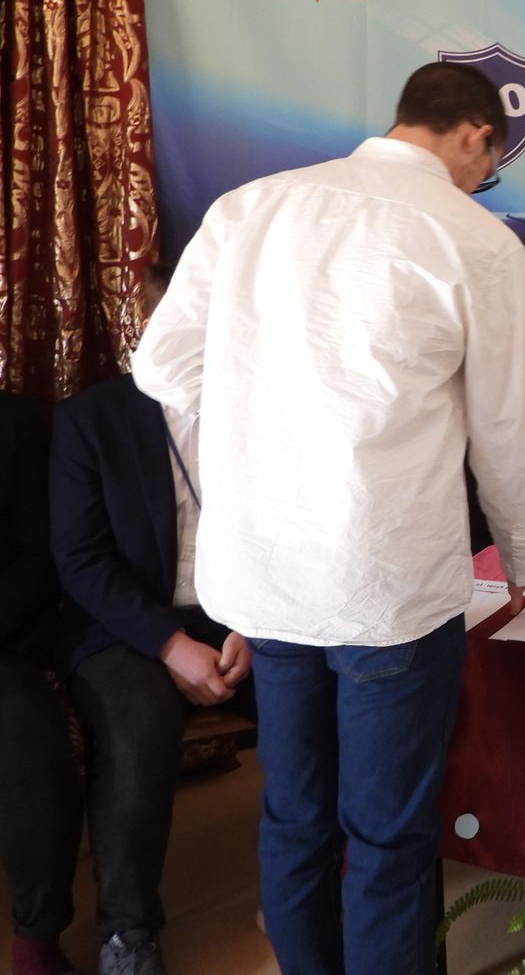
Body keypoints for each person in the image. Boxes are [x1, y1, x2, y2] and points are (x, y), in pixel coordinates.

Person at [132, 62, 525, 975]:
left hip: (268, 578)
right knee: (388, 834)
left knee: (294, 814)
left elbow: (161, 366)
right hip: (387, 586)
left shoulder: (250, 209)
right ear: (477, 135)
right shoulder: (476, 241)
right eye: (488, 167)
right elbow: (508, 430)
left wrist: (270, 415)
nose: (482, 181)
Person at [50, 264, 256, 975]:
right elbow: (80, 561)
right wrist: (169, 644)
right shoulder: (92, 419)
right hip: (122, 623)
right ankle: (127, 931)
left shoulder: (263, 410)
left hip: (245, 615)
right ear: (147, 326)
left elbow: (287, 535)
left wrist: (254, 625)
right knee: (139, 724)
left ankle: (309, 888)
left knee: (318, 694)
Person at [0, 392, 85, 975]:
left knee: (30, 738)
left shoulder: (16, 422)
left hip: (2, 643)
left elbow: (39, 555)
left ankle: (36, 940)